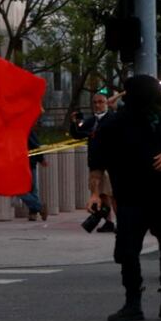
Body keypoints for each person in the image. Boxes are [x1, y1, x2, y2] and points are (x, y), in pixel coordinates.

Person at [88, 74, 161, 321]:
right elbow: (97, 164)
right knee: (129, 251)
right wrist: (95, 194)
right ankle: (132, 303)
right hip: (130, 198)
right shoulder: (113, 125)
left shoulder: (159, 119)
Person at [70, 90, 117, 232]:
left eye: (100, 102)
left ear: (107, 103)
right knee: (100, 193)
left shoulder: (113, 118)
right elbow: (77, 134)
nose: (97, 105)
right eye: (95, 102)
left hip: (111, 162)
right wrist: (74, 122)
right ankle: (108, 222)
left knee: (114, 194)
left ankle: (121, 222)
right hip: (95, 163)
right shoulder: (91, 121)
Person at [19, 127, 47, 221]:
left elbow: (35, 146)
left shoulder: (26, 130)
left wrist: (41, 159)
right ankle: (35, 211)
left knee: (21, 190)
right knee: (31, 190)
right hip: (21, 164)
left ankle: (37, 209)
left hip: (28, 165)